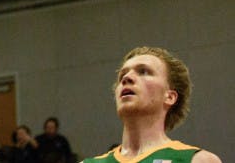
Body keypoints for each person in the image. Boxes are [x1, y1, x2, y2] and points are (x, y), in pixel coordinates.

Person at [80, 47, 221, 163]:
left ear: (170, 97)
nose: (126, 78)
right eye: (123, 74)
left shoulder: (198, 160)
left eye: (143, 71)